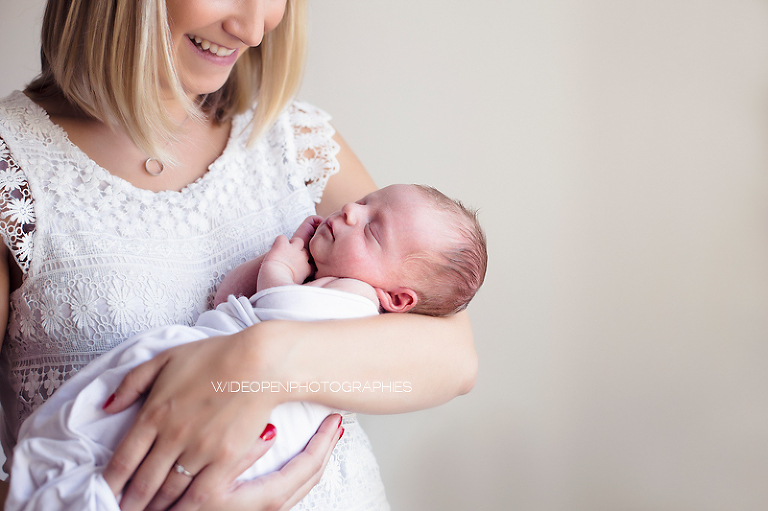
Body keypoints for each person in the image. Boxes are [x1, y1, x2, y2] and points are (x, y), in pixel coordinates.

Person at [0, 1, 478, 510]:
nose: (253, 29)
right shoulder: (15, 167)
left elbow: (453, 357)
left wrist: (261, 358)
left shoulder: (296, 139)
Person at [5, 184, 487, 510]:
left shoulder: (354, 300)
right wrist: (278, 267)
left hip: (247, 425)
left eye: (373, 228)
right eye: (364, 201)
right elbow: (232, 300)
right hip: (221, 409)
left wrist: (280, 272)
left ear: (398, 299)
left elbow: (272, 320)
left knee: (97, 440)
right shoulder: (339, 285)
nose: (351, 211)